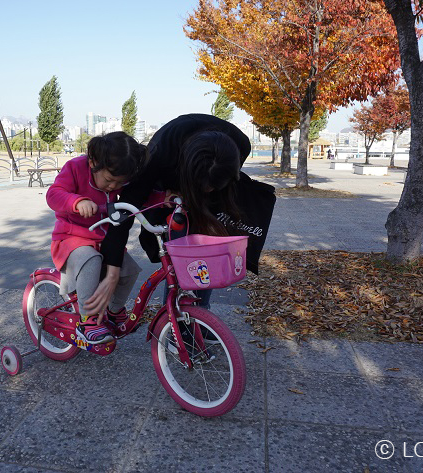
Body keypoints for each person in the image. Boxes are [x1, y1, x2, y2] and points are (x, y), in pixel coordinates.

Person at [83, 113, 275, 317]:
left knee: (205, 252)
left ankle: (199, 315)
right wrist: (113, 271)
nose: (208, 190)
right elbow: (126, 207)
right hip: (169, 195)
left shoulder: (241, 145)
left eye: (212, 186)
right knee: (179, 255)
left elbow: (217, 185)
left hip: (209, 194)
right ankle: (176, 317)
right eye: (204, 186)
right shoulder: (160, 152)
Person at [46, 131, 146, 344]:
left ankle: (115, 310)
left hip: (102, 239)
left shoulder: (118, 177)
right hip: (70, 238)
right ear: (93, 162)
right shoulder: (75, 168)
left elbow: (139, 195)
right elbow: (53, 194)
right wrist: (76, 201)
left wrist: (162, 198)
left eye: (119, 184)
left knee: (129, 269)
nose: (113, 188)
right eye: (109, 180)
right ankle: (87, 320)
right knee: (90, 260)